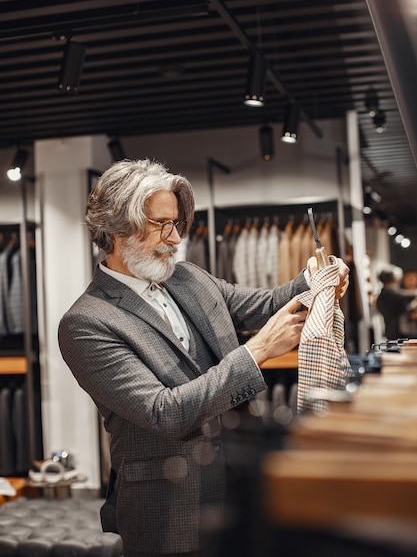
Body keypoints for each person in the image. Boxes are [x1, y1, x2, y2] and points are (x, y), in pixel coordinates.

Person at [58, 159, 349, 557]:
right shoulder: (86, 323)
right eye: (161, 224)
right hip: (168, 509)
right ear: (114, 228)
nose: (175, 238)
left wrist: (313, 279)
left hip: (239, 484)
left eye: (176, 223)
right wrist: (258, 351)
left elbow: (260, 305)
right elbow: (164, 412)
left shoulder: (187, 277)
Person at [376, 268, 417, 341]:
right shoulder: (390, 293)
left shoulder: (383, 294)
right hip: (397, 332)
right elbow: (411, 295)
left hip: (392, 331)